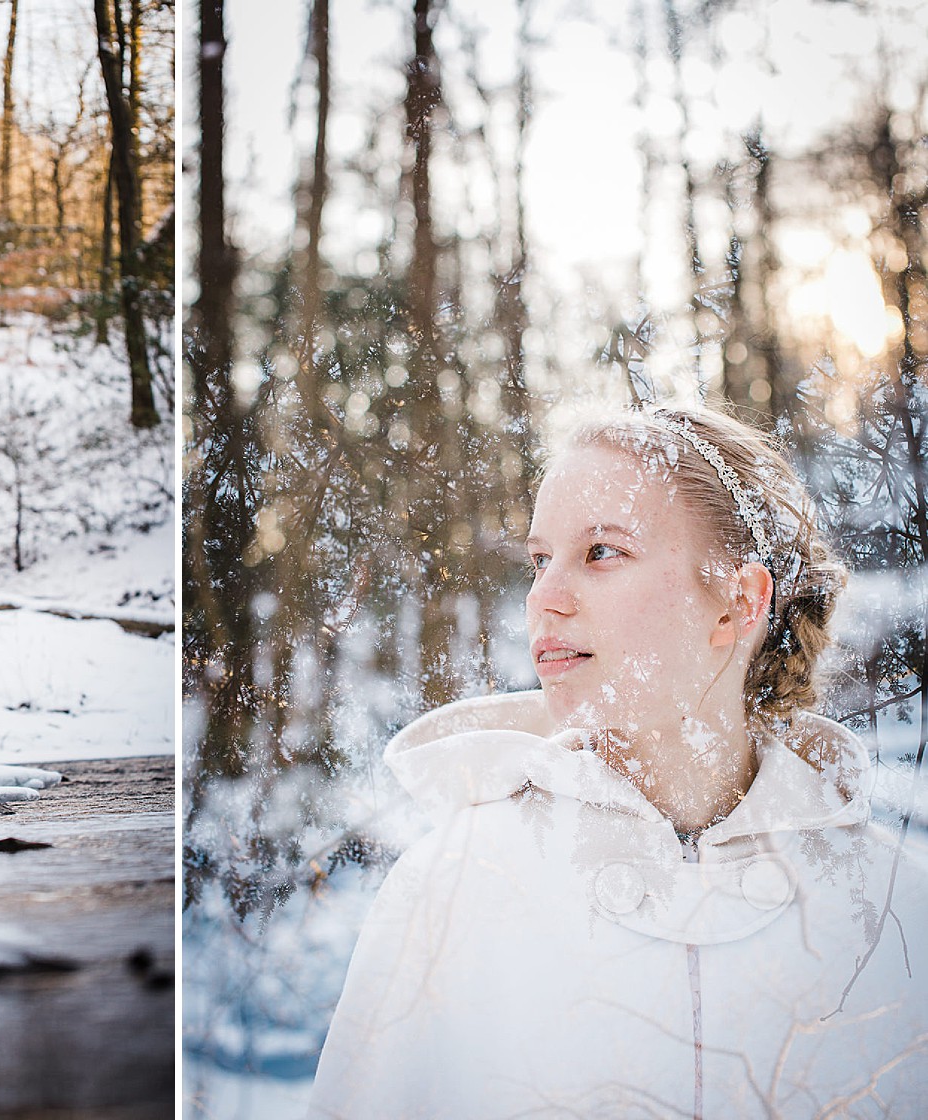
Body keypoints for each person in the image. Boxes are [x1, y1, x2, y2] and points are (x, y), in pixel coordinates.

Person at [308, 405, 928, 1118]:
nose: (543, 596)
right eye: (541, 560)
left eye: (601, 552)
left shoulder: (895, 913)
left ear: (737, 602)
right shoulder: (451, 889)